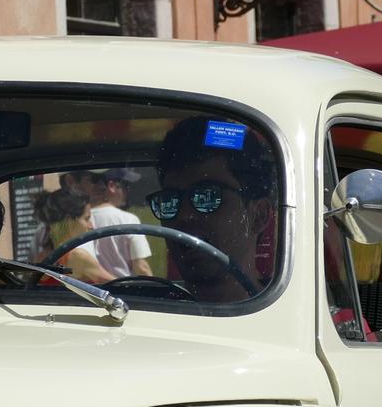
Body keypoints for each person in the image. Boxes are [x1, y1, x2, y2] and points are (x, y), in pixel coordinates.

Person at [151, 117, 278, 304]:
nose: (184, 216)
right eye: (170, 200)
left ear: (259, 215)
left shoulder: (286, 319)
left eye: (208, 196)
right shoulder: (144, 314)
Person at [83, 168, 152, 280]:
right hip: (122, 291)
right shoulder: (129, 220)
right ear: (112, 186)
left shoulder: (82, 219)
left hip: (89, 291)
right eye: (125, 187)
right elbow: (141, 267)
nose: (127, 192)